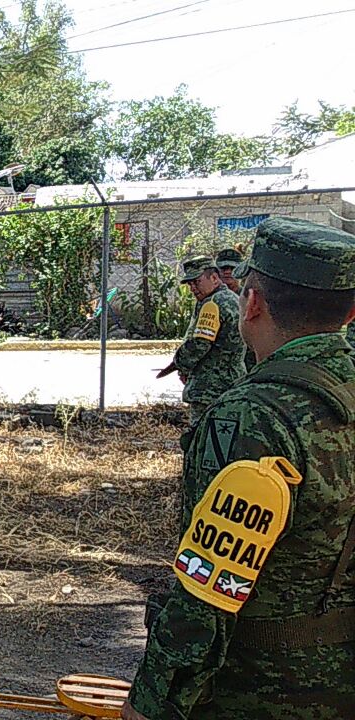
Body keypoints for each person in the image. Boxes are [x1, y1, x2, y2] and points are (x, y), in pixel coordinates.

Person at [122, 217, 355, 720]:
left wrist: (153, 700)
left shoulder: (251, 419)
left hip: (259, 686)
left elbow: (208, 588)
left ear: (252, 304)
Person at [162, 257, 245, 425]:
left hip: (209, 387)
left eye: (197, 282)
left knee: (199, 437)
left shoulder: (212, 304)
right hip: (234, 382)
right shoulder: (234, 299)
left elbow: (199, 344)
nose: (192, 288)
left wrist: (181, 364)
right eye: (189, 284)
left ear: (214, 278)